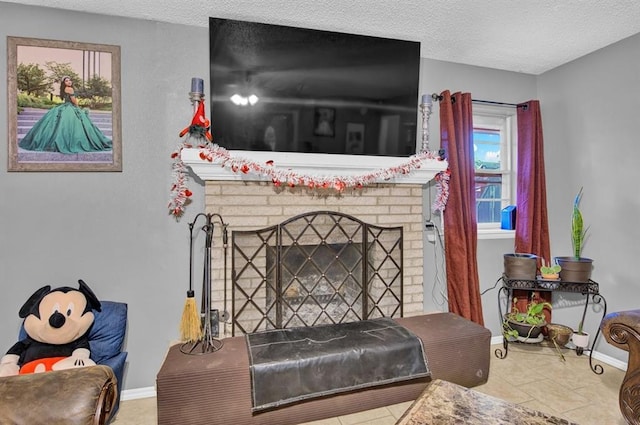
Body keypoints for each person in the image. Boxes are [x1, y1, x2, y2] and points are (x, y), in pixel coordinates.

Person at [18, 76, 112, 153]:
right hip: (70, 107)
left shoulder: (64, 90)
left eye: (70, 80)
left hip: (64, 106)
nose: (69, 81)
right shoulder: (70, 89)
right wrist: (79, 108)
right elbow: (74, 101)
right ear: (64, 83)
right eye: (67, 81)